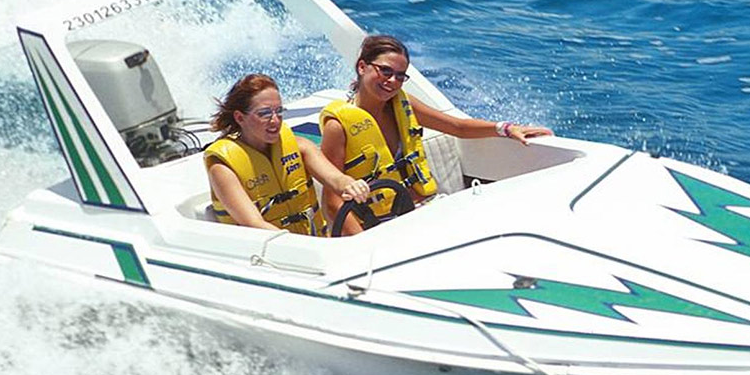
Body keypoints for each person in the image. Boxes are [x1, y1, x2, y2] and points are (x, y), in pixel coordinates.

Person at [320, 35, 553, 235]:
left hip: (424, 211)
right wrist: (366, 245)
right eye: (386, 71)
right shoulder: (338, 126)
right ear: (362, 67)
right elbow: (332, 202)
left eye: (400, 76)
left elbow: (457, 127)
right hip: (378, 228)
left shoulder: (402, 105)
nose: (392, 81)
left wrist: (505, 128)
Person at [205, 74, 369, 235]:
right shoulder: (222, 169)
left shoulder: (300, 147)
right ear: (240, 118)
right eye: (264, 113)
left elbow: (335, 179)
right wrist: (301, 246)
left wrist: (350, 185)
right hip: (269, 250)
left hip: (314, 243)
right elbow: (253, 223)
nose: (275, 121)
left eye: (279, 111)